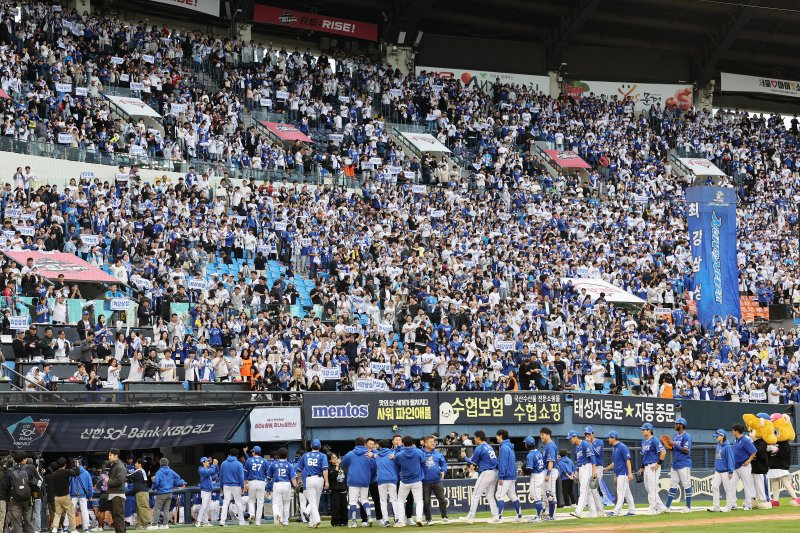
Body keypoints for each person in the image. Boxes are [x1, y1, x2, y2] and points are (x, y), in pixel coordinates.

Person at [459, 430, 499, 524]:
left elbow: (472, 462)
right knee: (490, 495)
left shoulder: (479, 448)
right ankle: (496, 516)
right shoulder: (489, 446)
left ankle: (470, 517)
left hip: (486, 472)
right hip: (494, 472)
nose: (474, 439)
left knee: (475, 494)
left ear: (478, 438)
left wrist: (464, 457)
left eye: (475, 437)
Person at [340, 437, 375, 528]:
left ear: (355, 444)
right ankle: (369, 517)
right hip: (365, 480)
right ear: (364, 444)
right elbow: (373, 467)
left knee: (353, 501)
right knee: (364, 499)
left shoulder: (350, 454)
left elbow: (343, 464)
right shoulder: (369, 454)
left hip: (353, 480)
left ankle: (354, 521)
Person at [393, 435, 426, 527]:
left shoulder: (399, 455)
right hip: (417, 480)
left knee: (400, 501)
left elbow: (396, 463)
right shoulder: (418, 452)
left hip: (404, 481)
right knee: (419, 501)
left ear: (403, 443)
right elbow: (423, 461)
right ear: (413, 443)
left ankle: (401, 521)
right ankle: (419, 519)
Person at [603, 432, 635, 517]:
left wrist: (630, 473)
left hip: (623, 472)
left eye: (609, 438)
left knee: (620, 492)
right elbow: (615, 463)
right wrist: (607, 469)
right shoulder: (614, 448)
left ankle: (616, 512)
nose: (608, 439)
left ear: (613, 438)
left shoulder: (622, 447)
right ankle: (632, 511)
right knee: (627, 493)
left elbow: (628, 460)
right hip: (619, 473)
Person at [148, 458, 186, 529]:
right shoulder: (171, 471)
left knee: (157, 509)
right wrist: (175, 484)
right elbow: (178, 477)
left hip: (161, 493)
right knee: (166, 509)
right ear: (167, 463)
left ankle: (154, 525)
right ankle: (165, 525)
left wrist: (153, 487)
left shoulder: (159, 472)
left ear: (160, 463)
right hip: (169, 493)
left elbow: (156, 482)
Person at [567, 430, 598, 519]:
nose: (570, 440)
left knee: (583, 490)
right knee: (588, 492)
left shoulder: (585, 444)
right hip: (581, 468)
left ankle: (578, 511)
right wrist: (577, 471)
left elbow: (592, 457)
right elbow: (579, 461)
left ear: (575, 437)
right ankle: (593, 513)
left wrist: (594, 471)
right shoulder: (577, 447)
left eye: (571, 438)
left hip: (587, 467)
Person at [298, 439, 329, 529]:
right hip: (320, 479)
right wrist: (326, 481)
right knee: (316, 500)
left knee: (312, 501)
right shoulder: (323, 455)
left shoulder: (305, 455)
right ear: (320, 446)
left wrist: (300, 480)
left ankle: (316, 519)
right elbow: (325, 469)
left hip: (310, 479)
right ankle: (312, 522)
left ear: (311, 446)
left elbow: (299, 470)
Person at [664, 417, 693, 512]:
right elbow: (673, 449)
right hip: (675, 464)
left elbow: (686, 451)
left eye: (676, 424)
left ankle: (688, 507)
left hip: (684, 464)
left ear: (681, 425)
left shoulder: (687, 436)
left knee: (686, 485)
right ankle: (667, 507)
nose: (675, 425)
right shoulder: (675, 435)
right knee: (673, 485)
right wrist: (668, 446)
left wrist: (674, 444)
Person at [638, 423, 667, 515]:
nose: (642, 431)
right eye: (642, 429)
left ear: (649, 430)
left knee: (652, 488)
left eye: (644, 429)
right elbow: (644, 456)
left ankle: (653, 509)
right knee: (648, 488)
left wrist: (658, 463)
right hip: (646, 466)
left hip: (654, 465)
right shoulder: (643, 441)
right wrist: (642, 467)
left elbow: (663, 452)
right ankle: (662, 508)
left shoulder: (654, 440)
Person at [494, 429, 522, 522]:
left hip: (506, 476)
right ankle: (519, 516)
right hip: (512, 475)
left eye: (497, 436)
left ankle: (499, 517)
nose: (496, 437)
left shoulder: (504, 447)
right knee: (512, 495)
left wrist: (501, 476)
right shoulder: (509, 447)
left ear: (501, 436)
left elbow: (503, 463)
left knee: (499, 495)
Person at [266, 448, 297, 527]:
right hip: (287, 484)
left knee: (276, 503)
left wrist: (268, 489)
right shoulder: (289, 465)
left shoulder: (274, 464)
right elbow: (293, 479)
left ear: (278, 455)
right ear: (286, 455)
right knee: (286, 503)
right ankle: (285, 521)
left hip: (277, 484)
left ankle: (277, 515)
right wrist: (296, 487)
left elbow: (269, 478)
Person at [421, 436, 449, 526]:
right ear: (425, 443)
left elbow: (443, 463)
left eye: (434, 442)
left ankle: (444, 517)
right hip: (425, 482)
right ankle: (428, 519)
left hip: (437, 481)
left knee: (442, 500)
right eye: (431, 442)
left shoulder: (437, 453)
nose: (433, 443)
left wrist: (443, 471)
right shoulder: (420, 453)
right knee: (426, 502)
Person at [731, 423, 757, 511]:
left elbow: (754, 451)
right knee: (731, 485)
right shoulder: (735, 439)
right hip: (736, 466)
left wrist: (749, 460)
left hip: (744, 466)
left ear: (737, 431)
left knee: (747, 486)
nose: (732, 431)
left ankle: (748, 505)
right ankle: (733, 504)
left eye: (733, 430)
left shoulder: (745, 440)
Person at [50, 458, 80, 533]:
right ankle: (73, 529)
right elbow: (77, 473)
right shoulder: (66, 471)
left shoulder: (53, 474)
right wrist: (77, 465)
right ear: (65, 464)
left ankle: (55, 528)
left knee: (57, 513)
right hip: (65, 496)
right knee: (70, 513)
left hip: (57, 497)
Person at [708, 429, 735, 513]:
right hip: (718, 471)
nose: (716, 437)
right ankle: (716, 506)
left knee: (727, 489)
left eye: (717, 436)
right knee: (714, 487)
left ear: (722, 436)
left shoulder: (727, 447)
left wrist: (730, 471)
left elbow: (730, 459)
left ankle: (729, 507)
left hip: (725, 471)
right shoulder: (718, 445)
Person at [373, 440, 399, 527]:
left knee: (383, 501)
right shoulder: (393, 454)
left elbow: (373, 452)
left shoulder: (377, 455)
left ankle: (386, 521)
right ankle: (397, 519)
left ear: (380, 446)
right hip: (392, 479)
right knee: (394, 500)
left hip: (381, 480)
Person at [218, 448, 246, 526]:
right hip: (236, 486)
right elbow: (241, 477)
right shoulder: (239, 464)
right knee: (238, 503)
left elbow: (221, 476)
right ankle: (241, 521)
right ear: (237, 455)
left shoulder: (223, 463)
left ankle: (222, 521)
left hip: (226, 485)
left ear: (229, 454)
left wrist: (221, 487)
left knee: (225, 503)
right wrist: (242, 487)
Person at [523, 436, 545, 522]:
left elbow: (529, 469)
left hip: (536, 475)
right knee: (535, 495)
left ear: (527, 444)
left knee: (536, 497)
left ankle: (538, 517)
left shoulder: (530, 455)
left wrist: (524, 471)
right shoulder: (538, 452)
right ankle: (543, 511)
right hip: (541, 474)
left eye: (525, 443)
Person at [244, 446, 268, 525]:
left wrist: (245, 484)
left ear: (254, 452)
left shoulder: (249, 460)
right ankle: (258, 521)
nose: (252, 453)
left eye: (252, 451)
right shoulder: (264, 461)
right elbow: (267, 474)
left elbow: (245, 474)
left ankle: (252, 514)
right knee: (260, 502)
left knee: (251, 500)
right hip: (261, 482)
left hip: (252, 482)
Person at [539, 427, 559, 519]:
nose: (541, 436)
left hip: (551, 470)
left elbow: (551, 461)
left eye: (542, 434)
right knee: (546, 494)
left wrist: (548, 474)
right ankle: (548, 513)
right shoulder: (547, 445)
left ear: (548, 435)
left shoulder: (550, 445)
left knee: (551, 493)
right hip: (547, 470)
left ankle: (552, 515)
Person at [583, 427, 604, 515]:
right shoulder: (584, 443)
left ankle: (600, 511)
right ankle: (592, 511)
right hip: (589, 467)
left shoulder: (599, 442)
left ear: (593, 434)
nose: (587, 435)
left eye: (589, 434)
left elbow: (596, 453)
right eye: (586, 434)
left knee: (594, 488)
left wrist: (589, 444)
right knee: (588, 490)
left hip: (597, 467)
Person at [70, 460, 94, 533]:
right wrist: (90, 494)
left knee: (70, 511)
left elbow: (68, 485)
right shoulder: (86, 473)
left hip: (73, 495)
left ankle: (67, 527)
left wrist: (69, 493)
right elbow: (90, 485)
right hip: (83, 494)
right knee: (84, 511)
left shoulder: (71, 472)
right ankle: (86, 528)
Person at [106, 449, 128, 533]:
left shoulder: (120, 466)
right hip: (114, 494)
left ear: (116, 456)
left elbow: (120, 481)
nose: (109, 457)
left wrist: (108, 481)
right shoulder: (114, 465)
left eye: (110, 455)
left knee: (118, 517)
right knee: (116, 518)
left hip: (117, 494)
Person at [127, 459, 151, 529]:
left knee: (143, 507)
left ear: (140, 464)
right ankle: (141, 524)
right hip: (141, 492)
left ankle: (147, 523)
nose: (135, 464)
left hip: (141, 492)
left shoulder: (139, 471)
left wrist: (124, 471)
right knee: (139, 508)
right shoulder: (142, 471)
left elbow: (129, 476)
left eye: (136, 463)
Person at [196, 457, 219, 527]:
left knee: (207, 507)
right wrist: (213, 465)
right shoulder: (201, 470)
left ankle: (205, 522)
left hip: (209, 490)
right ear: (203, 463)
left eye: (208, 461)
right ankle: (198, 521)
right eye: (207, 461)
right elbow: (211, 471)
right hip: (205, 490)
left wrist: (216, 465)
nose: (208, 462)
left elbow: (215, 473)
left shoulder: (207, 469)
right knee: (204, 506)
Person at [328, 453, 349, 527]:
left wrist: (347, 488)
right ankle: (335, 522)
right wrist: (336, 466)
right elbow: (332, 477)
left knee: (344, 507)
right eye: (333, 458)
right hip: (334, 490)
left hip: (343, 489)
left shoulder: (343, 467)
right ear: (330, 460)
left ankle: (344, 521)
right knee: (335, 507)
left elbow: (346, 477)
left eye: (335, 457)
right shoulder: (330, 468)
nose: (335, 459)